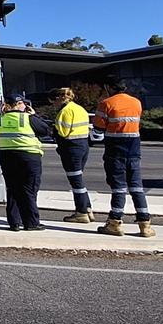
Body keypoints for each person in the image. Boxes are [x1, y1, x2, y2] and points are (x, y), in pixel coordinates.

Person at [93, 79, 154, 237]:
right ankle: (145, 224)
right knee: (136, 187)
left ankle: (115, 222)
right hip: (133, 149)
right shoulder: (136, 103)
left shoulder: (106, 103)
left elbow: (98, 129)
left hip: (115, 150)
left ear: (110, 87)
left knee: (119, 188)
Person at [0, 95, 51, 232]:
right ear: (18, 104)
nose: (24, 106)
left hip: (7, 156)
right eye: (23, 103)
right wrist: (34, 116)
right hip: (29, 156)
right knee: (29, 189)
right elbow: (45, 131)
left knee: (13, 189)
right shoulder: (27, 118)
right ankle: (31, 222)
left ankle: (14, 222)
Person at [49, 87, 95, 223]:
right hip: (83, 145)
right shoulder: (79, 109)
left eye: (53, 102)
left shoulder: (65, 111)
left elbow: (63, 132)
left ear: (59, 98)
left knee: (76, 181)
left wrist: (54, 128)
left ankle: (81, 212)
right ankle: (87, 208)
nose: (53, 105)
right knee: (78, 179)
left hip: (71, 147)